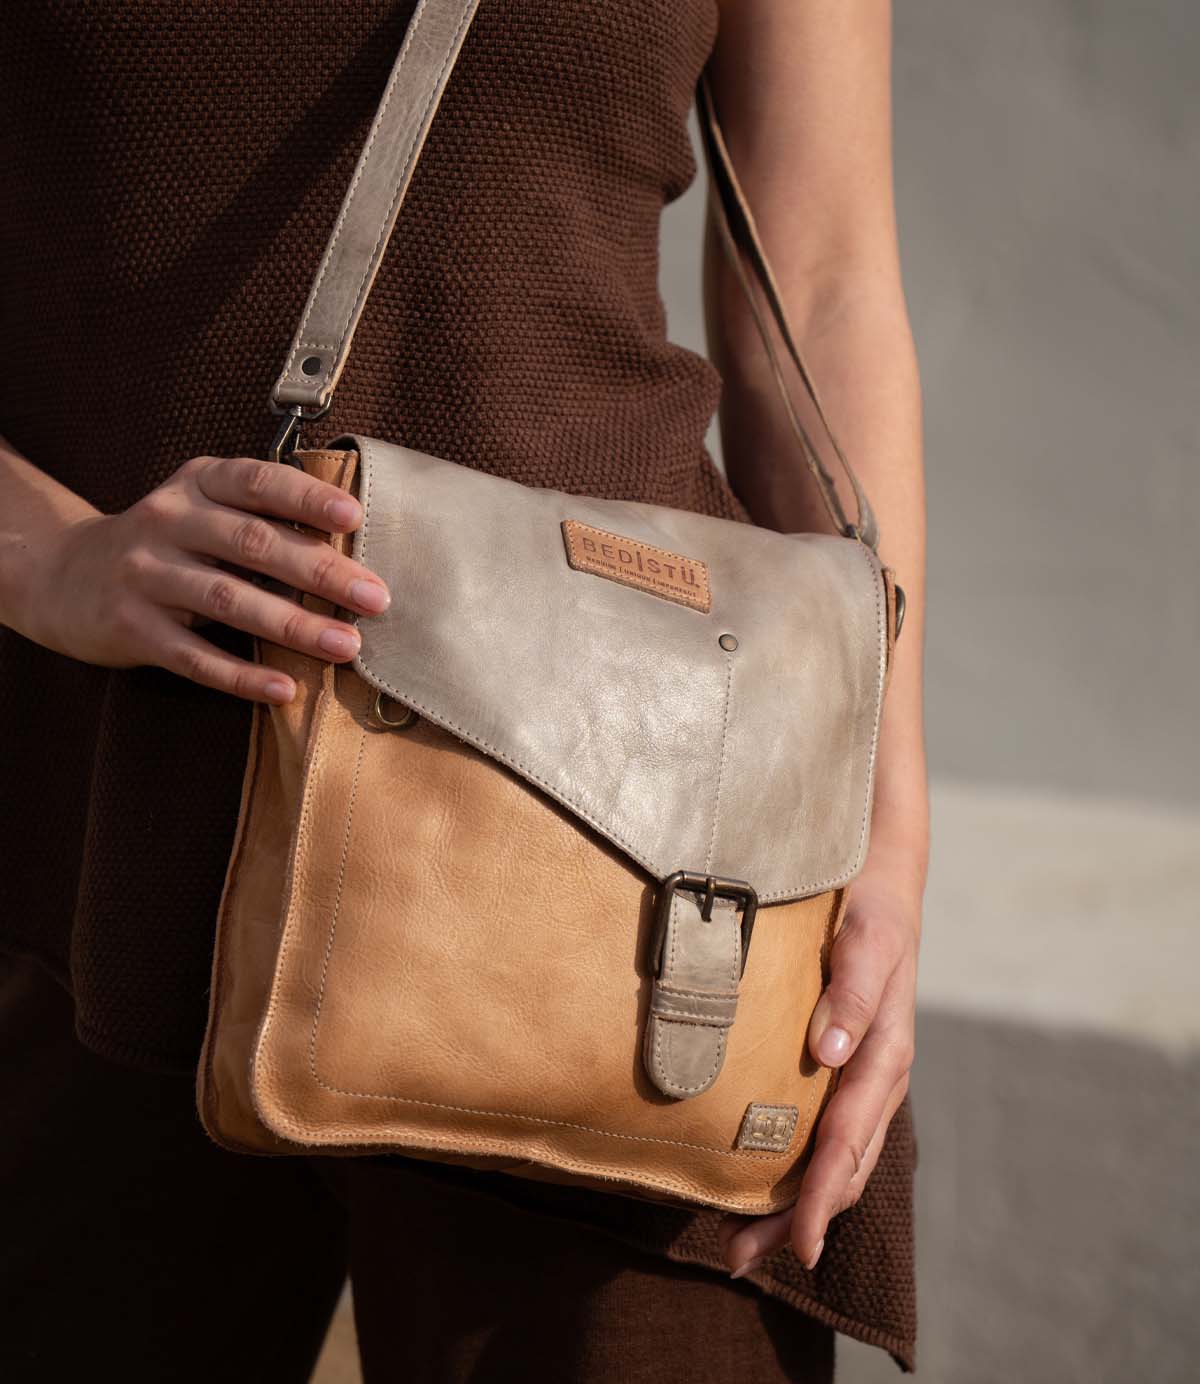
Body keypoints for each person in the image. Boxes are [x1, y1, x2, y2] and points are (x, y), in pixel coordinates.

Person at [0, 1, 926, 1379]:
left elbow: (827, 277)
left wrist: (882, 830)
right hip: (94, 807)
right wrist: (43, 555)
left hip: (634, 849)